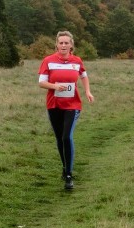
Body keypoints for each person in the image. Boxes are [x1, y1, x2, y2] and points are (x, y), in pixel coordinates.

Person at [38, 31, 94, 190]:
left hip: (72, 105)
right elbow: (41, 83)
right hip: (54, 105)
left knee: (66, 137)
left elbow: (84, 76)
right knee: (59, 138)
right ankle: (65, 167)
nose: (63, 45)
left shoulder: (77, 61)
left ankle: (69, 175)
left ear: (71, 45)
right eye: (60, 43)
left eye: (66, 43)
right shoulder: (48, 61)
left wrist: (88, 91)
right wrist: (55, 86)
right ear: (56, 44)